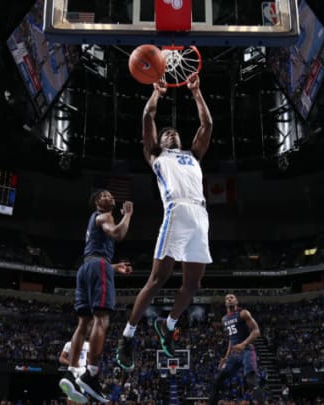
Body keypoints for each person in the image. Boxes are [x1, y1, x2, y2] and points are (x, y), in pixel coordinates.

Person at [116, 73, 213, 370]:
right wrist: (156, 93)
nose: (171, 133)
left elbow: (207, 125)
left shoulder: (193, 155)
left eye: (174, 132)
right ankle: (128, 336)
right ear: (157, 142)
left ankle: (168, 326)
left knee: (193, 284)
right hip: (176, 212)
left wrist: (196, 93)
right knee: (157, 280)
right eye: (166, 132)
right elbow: (148, 116)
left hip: (200, 215)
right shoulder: (156, 156)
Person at [59, 190, 133, 404]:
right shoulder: (105, 216)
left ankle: (71, 373)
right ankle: (91, 374)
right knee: (101, 319)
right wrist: (127, 214)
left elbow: (94, 255)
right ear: (97, 203)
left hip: (86, 267)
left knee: (83, 322)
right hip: (98, 264)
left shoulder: (93, 222)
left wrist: (113, 267)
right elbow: (118, 234)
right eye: (105, 195)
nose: (110, 197)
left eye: (111, 195)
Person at [208, 294, 263, 405]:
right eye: (227, 298)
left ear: (236, 301)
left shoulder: (243, 313)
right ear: (225, 303)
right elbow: (231, 339)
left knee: (251, 380)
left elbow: (256, 331)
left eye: (231, 297)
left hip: (247, 350)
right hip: (233, 354)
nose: (229, 299)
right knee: (217, 381)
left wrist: (243, 344)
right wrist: (226, 357)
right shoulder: (224, 319)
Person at [58, 339, 90, 404]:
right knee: (70, 395)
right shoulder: (68, 344)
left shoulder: (87, 345)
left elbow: (88, 358)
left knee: (80, 394)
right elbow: (61, 358)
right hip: (72, 370)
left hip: (82, 370)